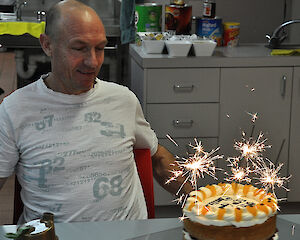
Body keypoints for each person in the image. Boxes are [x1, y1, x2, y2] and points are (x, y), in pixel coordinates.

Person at [0, 0, 192, 223]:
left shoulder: (123, 100)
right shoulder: (15, 110)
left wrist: (197, 200)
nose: (93, 62)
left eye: (99, 48)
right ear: (47, 45)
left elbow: (158, 157)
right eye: (79, 48)